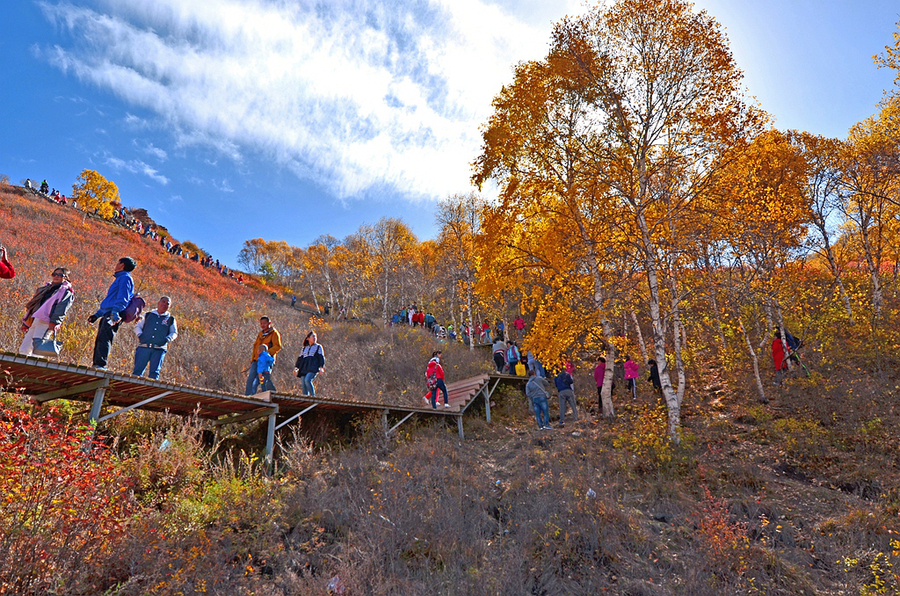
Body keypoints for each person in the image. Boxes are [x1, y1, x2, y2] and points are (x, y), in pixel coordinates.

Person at [89, 257, 136, 370]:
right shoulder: (121, 278)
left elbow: (123, 297)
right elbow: (110, 300)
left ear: (122, 265)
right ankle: (97, 364)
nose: (115, 265)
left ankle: (101, 365)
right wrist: (97, 315)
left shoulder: (125, 278)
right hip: (109, 312)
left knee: (105, 337)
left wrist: (116, 312)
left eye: (117, 263)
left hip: (114, 313)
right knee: (101, 337)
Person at [19, 267, 74, 357]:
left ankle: (35, 369)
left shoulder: (66, 292)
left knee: (38, 349)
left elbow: (62, 308)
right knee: (25, 347)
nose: (56, 276)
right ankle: (21, 365)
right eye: (54, 274)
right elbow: (35, 305)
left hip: (47, 321)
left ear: (66, 277)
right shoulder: (46, 288)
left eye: (60, 275)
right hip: (36, 319)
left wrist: (54, 322)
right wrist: (27, 322)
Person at [132, 296, 177, 380]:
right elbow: (137, 326)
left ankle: (150, 392)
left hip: (159, 350)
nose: (164, 304)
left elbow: (174, 333)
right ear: (158, 303)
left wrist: (167, 339)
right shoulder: (148, 315)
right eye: (163, 302)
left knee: (154, 373)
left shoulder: (170, 319)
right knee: (137, 371)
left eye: (167, 303)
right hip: (143, 347)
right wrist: (140, 335)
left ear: (169, 307)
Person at [245, 316, 282, 395]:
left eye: (264, 323)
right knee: (250, 378)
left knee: (263, 379)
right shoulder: (260, 334)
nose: (262, 325)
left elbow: (277, 346)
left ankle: (271, 394)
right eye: (261, 323)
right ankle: (248, 396)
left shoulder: (274, 333)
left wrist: (266, 353)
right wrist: (252, 360)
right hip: (256, 360)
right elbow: (255, 347)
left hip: (266, 361)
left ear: (269, 323)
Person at [294, 331, 325, 396]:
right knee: (303, 383)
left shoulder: (318, 347)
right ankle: (305, 398)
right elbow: (300, 359)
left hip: (313, 367)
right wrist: (296, 368)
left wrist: (321, 367)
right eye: (313, 336)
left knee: (307, 380)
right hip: (304, 367)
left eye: (315, 337)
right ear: (308, 338)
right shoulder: (304, 348)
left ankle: (313, 396)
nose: (314, 338)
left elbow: (321, 357)